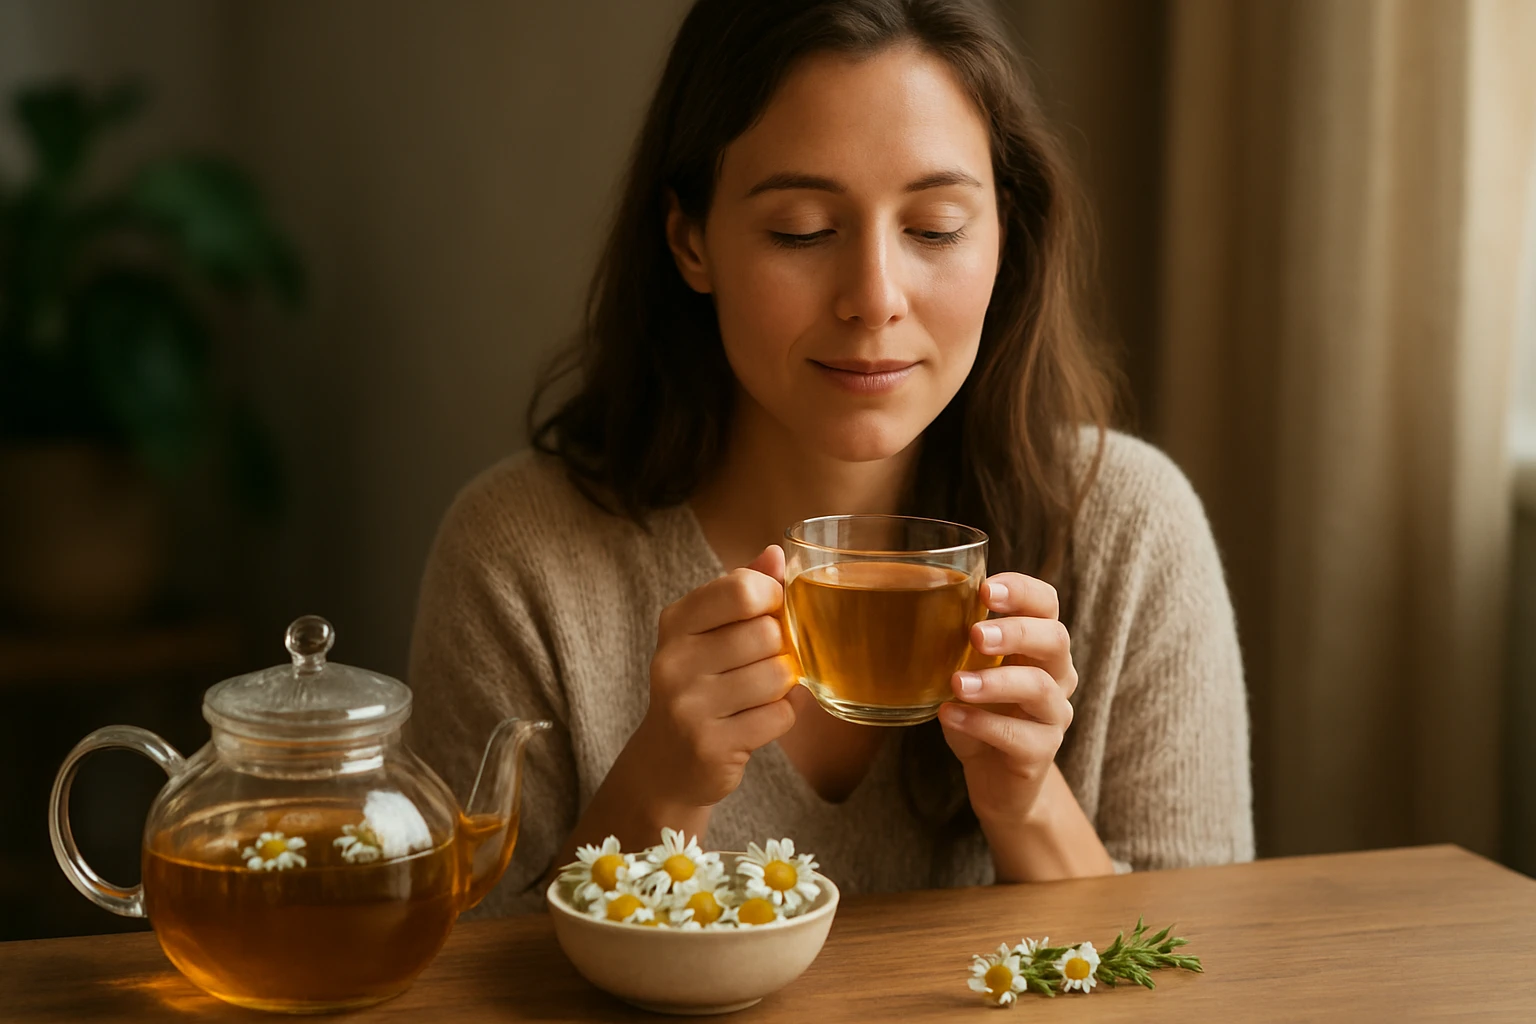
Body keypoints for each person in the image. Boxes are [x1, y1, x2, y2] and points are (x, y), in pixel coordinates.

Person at [407, 0, 1253, 918]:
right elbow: (456, 992)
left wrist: (1029, 804)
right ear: (691, 239)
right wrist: (655, 795)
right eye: (803, 231)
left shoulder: (1128, 527)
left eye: (933, 228)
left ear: (1004, 234)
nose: (874, 299)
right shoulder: (517, 557)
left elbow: (1197, 979)